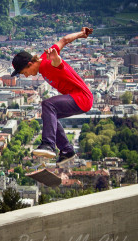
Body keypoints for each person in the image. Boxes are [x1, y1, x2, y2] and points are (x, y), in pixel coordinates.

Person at [11, 27, 94, 166]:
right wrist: (81, 34)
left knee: (48, 105)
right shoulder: (44, 58)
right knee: (48, 115)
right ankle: (67, 150)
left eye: (24, 72)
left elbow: (57, 63)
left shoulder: (48, 63)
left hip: (82, 98)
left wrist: (56, 59)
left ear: (30, 64)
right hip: (78, 98)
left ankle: (48, 145)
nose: (25, 75)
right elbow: (64, 40)